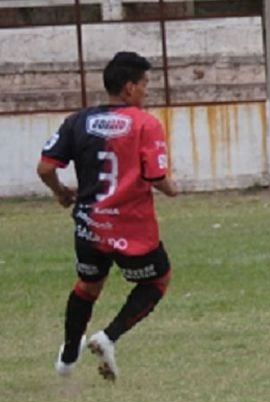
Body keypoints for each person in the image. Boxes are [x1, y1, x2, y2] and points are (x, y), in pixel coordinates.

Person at [37, 51, 179, 381]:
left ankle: (69, 355)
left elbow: (45, 167)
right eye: (145, 84)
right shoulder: (145, 123)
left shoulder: (78, 121)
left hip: (90, 226)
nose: (147, 90)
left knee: (88, 286)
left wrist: (61, 193)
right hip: (133, 228)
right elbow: (157, 178)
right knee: (157, 280)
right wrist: (173, 189)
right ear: (129, 88)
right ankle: (108, 336)